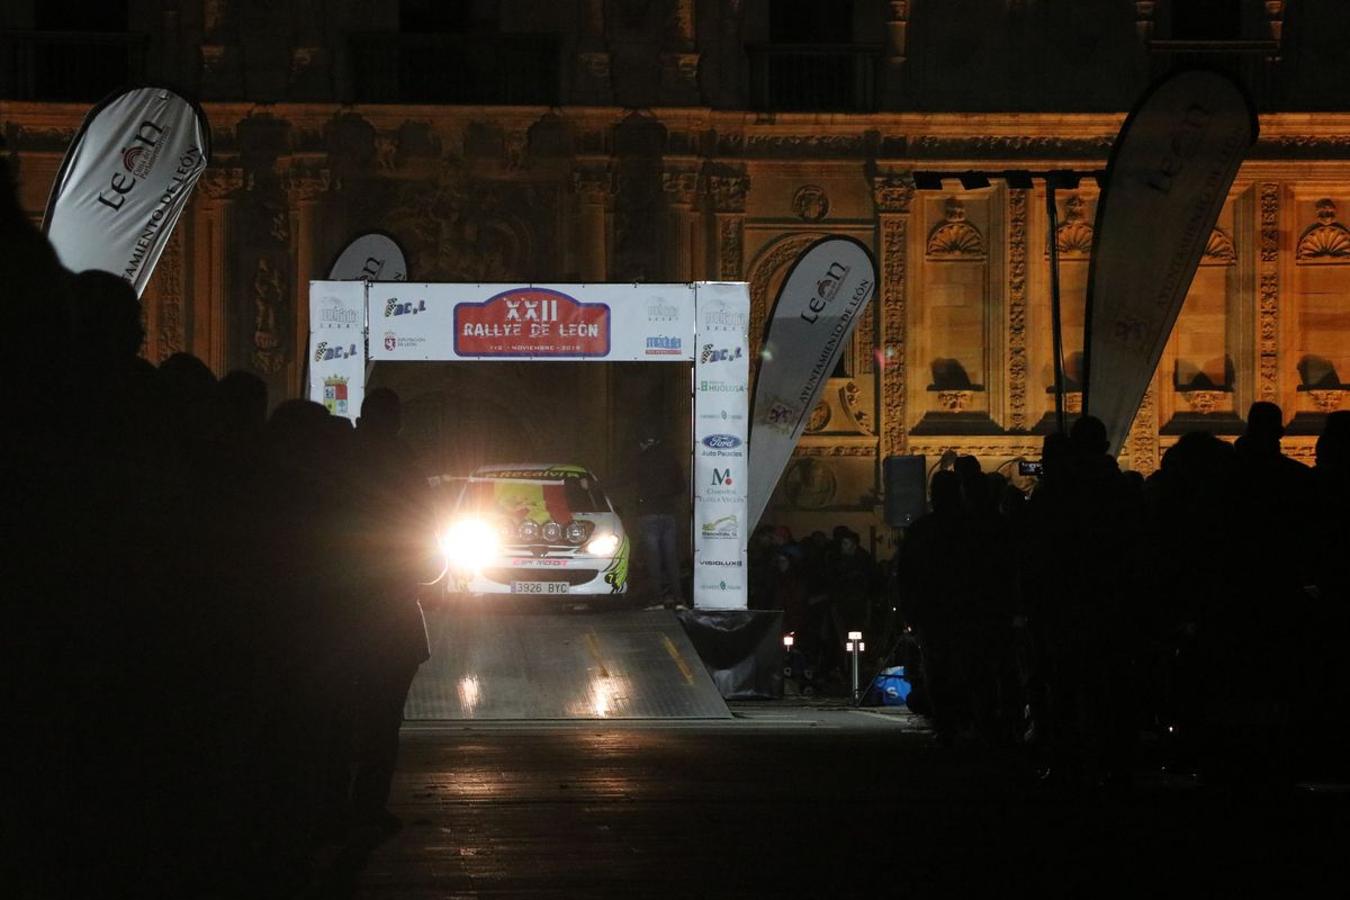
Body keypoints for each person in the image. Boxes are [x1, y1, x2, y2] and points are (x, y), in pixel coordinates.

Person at [349, 388, 434, 835]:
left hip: (337, 610)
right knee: (384, 718)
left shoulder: (338, 461)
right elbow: (427, 551)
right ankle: (367, 807)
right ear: (397, 421)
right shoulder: (407, 471)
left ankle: (329, 805)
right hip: (393, 610)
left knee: (340, 714)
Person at [631, 426, 686, 606]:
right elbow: (681, 487)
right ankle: (678, 597)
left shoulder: (640, 460)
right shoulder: (671, 459)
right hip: (668, 513)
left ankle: (658, 597)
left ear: (643, 443)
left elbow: (624, 479)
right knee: (671, 557)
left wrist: (596, 485)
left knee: (653, 558)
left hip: (648, 513)